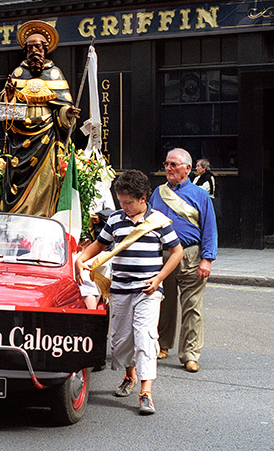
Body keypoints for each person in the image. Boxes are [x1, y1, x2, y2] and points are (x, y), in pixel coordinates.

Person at [75, 170, 183, 415]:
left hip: (148, 290)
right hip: (120, 289)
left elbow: (177, 252)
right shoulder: (115, 219)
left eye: (129, 202)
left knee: (145, 337)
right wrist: (81, 258)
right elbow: (99, 244)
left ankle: (146, 393)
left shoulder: (159, 221)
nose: (124, 207)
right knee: (121, 339)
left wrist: (159, 278)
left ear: (143, 199)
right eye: (121, 201)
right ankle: (129, 376)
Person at [1, 20, 81, 217]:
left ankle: (43, 216)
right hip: (20, 138)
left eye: (38, 47)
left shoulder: (54, 74)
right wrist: (10, 96)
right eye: (30, 48)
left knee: (46, 179)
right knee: (17, 177)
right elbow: (5, 113)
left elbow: (63, 105)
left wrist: (67, 113)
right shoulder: (18, 73)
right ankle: (19, 216)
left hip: (47, 137)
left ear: (45, 50)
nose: (34, 52)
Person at [150, 148, 218, 373]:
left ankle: (190, 354)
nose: (168, 168)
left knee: (192, 308)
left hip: (191, 255)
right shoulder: (158, 193)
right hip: (164, 256)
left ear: (188, 168)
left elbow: (209, 229)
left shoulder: (200, 195)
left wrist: (207, 259)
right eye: (166, 164)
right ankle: (162, 345)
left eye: (174, 164)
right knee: (163, 303)